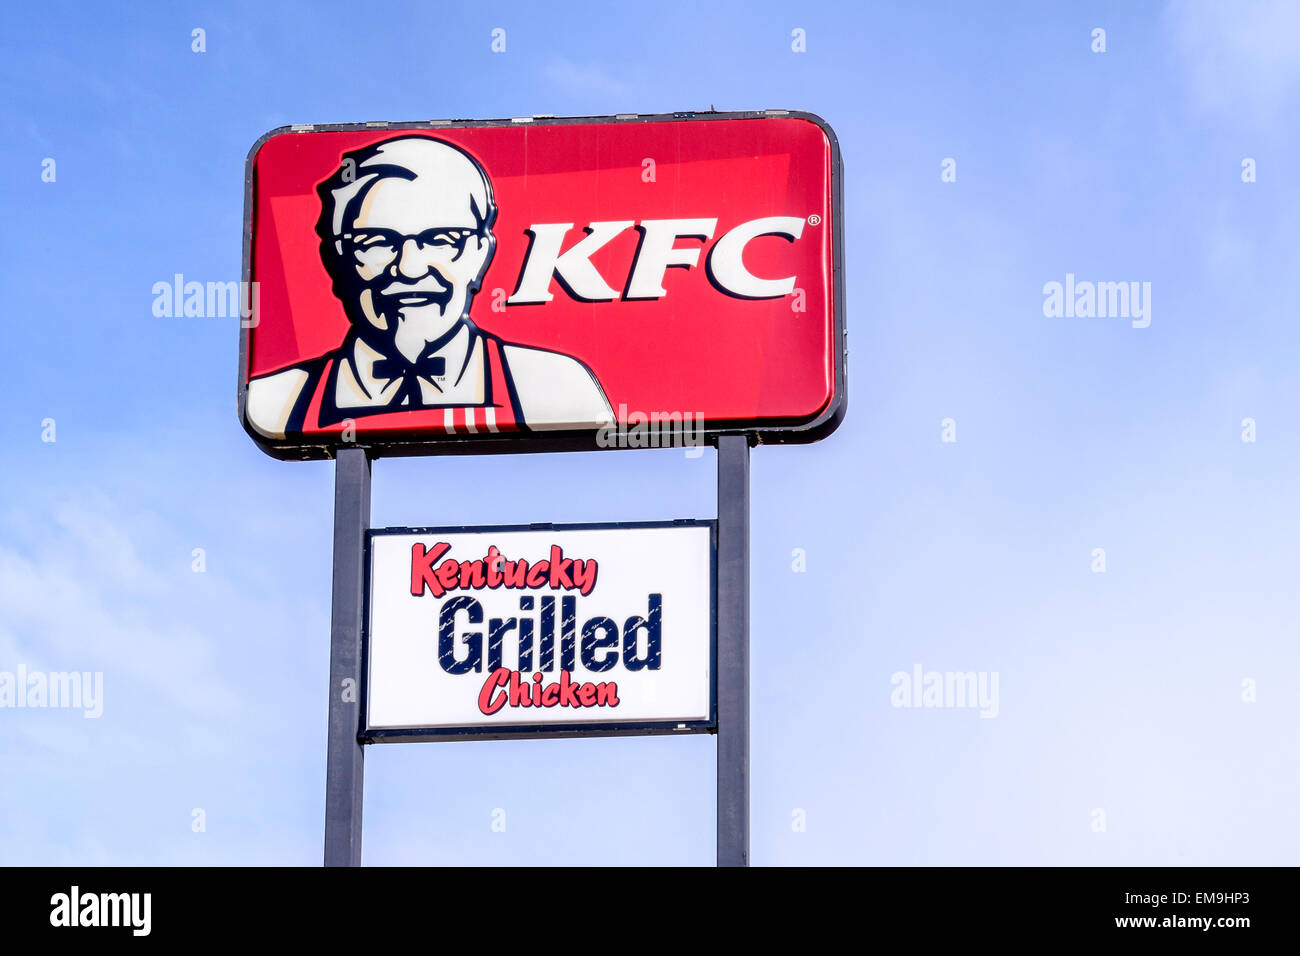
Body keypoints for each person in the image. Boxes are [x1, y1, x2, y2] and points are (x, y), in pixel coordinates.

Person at [246, 136, 613, 439]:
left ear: (479, 253)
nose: (409, 268)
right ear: (336, 258)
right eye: (375, 242)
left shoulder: (558, 387)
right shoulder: (279, 403)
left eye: (441, 239)